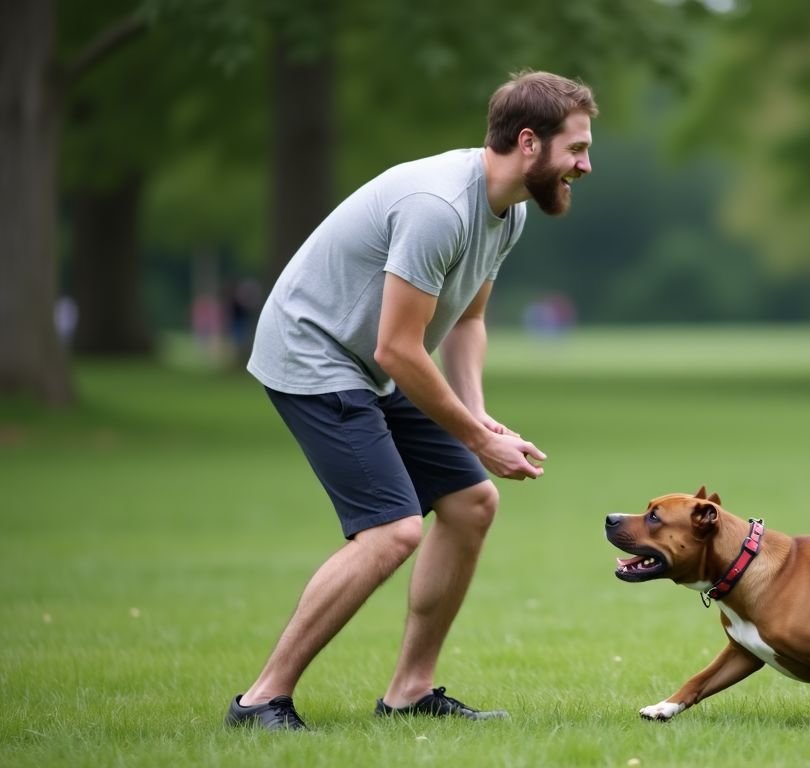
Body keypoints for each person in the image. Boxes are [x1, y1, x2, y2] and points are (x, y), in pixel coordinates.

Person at [226, 70, 597, 730]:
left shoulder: (506, 211)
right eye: (577, 149)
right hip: (313, 352)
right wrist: (481, 442)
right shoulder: (441, 208)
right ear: (530, 143)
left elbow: (468, 321)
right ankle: (261, 700)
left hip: (371, 358)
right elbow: (400, 348)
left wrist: (475, 413)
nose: (585, 165)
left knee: (471, 502)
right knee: (391, 530)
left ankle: (408, 692)